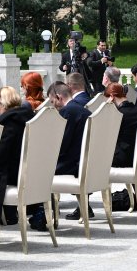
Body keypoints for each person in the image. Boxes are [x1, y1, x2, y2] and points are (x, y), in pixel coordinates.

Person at [0, 86, 41, 232]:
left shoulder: (8, 122)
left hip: (12, 175)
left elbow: (1, 154)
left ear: (4, 104)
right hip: (31, 171)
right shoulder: (31, 117)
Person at [47, 81, 92, 220]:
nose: (53, 105)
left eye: (52, 101)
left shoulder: (67, 112)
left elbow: (61, 145)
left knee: (39, 170)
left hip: (73, 165)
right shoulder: (85, 111)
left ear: (59, 97)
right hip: (87, 162)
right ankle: (84, 207)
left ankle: (46, 215)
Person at [105, 83, 137, 209]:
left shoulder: (118, 115)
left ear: (112, 97)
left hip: (125, 159)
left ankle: (85, 205)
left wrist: (106, 108)